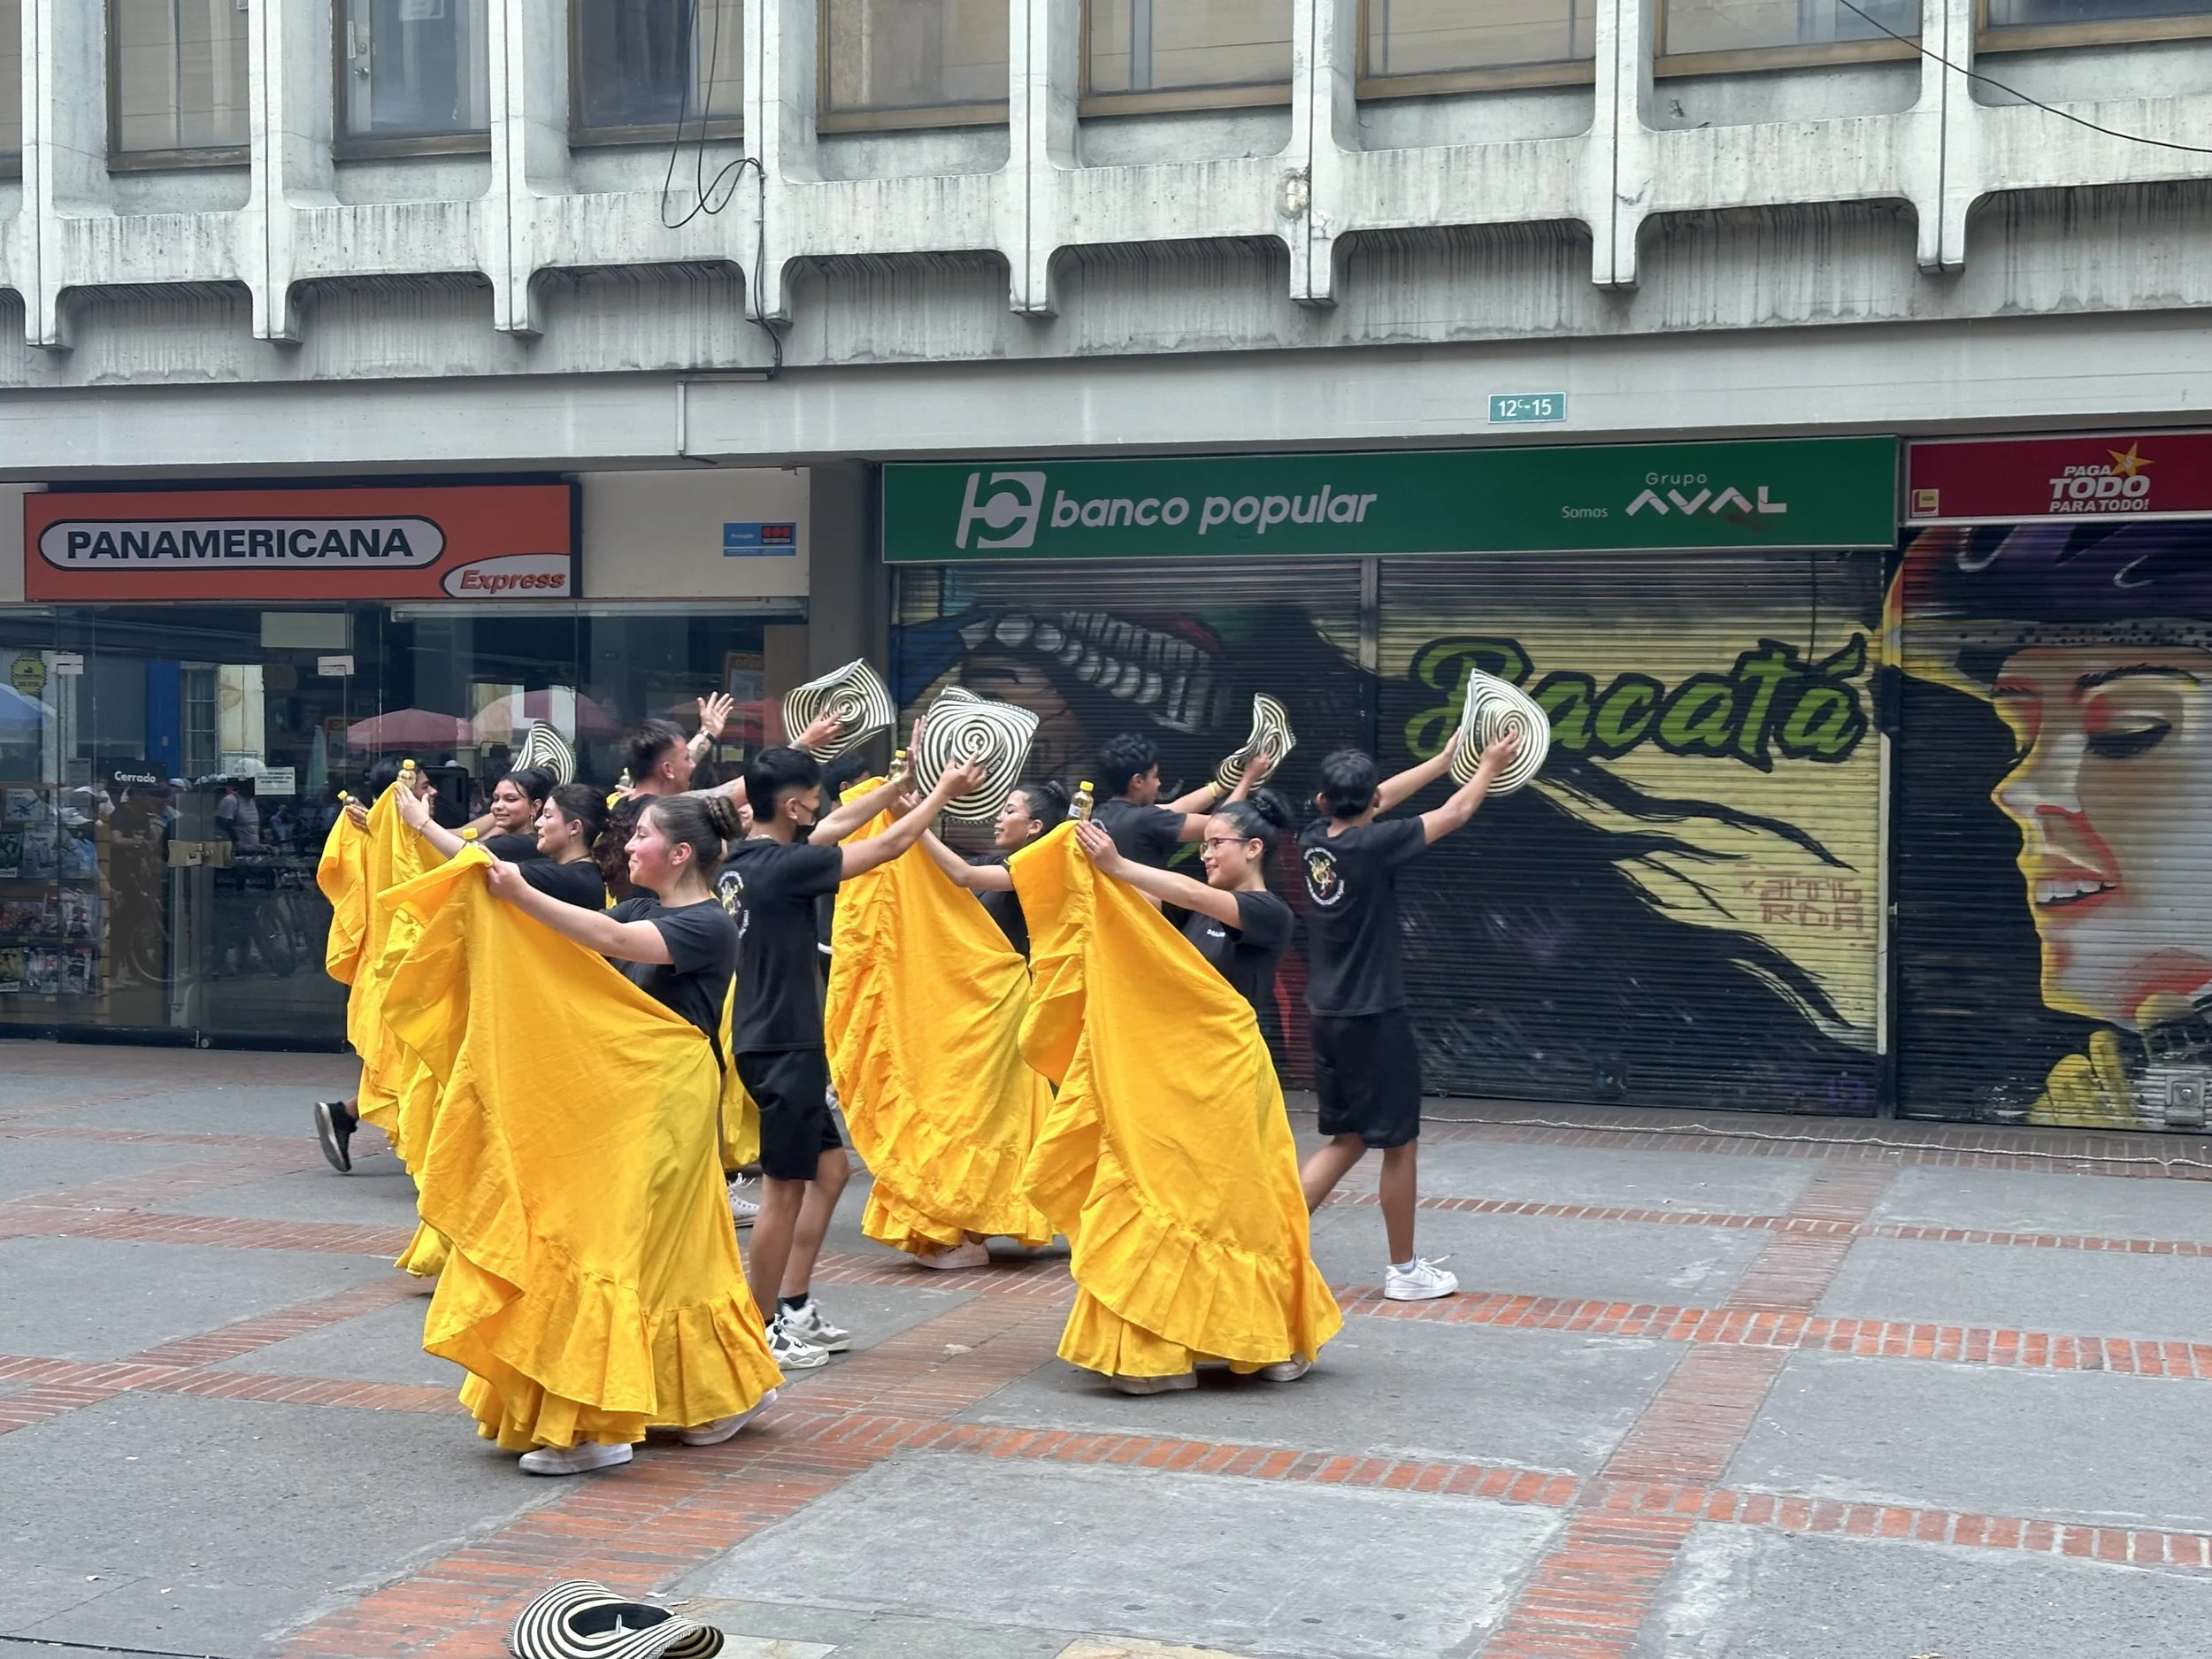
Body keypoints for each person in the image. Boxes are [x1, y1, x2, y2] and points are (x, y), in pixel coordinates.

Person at [457, 790, 780, 1475]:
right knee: (669, 1250)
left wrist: (518, 890)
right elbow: (572, 936)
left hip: (668, 1097)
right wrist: (452, 852)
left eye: (641, 836)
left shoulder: (708, 924)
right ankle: (721, 1394)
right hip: (636, 1093)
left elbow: (611, 943)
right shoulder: (641, 906)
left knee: (615, 1239)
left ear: (680, 852)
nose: (627, 846)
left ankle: (599, 1422)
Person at [717, 739, 991, 1369]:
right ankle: (759, 1329)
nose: (822, 807)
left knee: (832, 1170)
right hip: (784, 1043)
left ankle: (793, 1303)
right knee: (784, 1190)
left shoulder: (746, 859)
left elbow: (837, 827)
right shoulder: (785, 866)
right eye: (813, 798)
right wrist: (943, 794)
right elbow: (889, 845)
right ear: (792, 805)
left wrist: (900, 783)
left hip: (770, 1038)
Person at [1295, 730, 1521, 1302]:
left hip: (1326, 1013)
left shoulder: (1313, 838)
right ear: (1371, 802)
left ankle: (1265, 1245)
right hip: (1374, 1015)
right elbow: (1456, 812)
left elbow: (1379, 799)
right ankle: (1404, 1271)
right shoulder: (1374, 845)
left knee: (1347, 1138)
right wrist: (1488, 765)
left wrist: (1442, 760)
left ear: (1322, 801)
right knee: (1400, 1144)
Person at [1076, 788, 1295, 1060]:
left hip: (1227, 1059)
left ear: (1253, 848)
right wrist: (1088, 865)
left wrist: (1118, 864)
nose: (1206, 855)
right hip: (1182, 1052)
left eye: (1216, 843)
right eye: (1205, 846)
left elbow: (1193, 894)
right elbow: (1129, 896)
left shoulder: (1272, 913)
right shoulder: (1195, 909)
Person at [396, 778, 610, 912]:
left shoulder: (575, 878)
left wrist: (422, 823)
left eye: (547, 815)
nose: (539, 823)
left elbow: (482, 862)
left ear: (574, 828)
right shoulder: (561, 869)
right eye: (496, 799)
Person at [917, 780, 1071, 957]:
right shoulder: (994, 862)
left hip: (1011, 972)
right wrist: (913, 810)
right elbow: (944, 870)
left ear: (1034, 826)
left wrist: (917, 825)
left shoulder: (1037, 869)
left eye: (1010, 811)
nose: (999, 817)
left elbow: (964, 875)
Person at [1092, 732, 1270, 871]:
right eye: (1155, 776)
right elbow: (1223, 825)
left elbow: (1173, 809)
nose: (1159, 783)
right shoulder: (1145, 819)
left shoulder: (1101, 814)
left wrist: (1225, 782)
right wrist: (1248, 779)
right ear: (1137, 781)